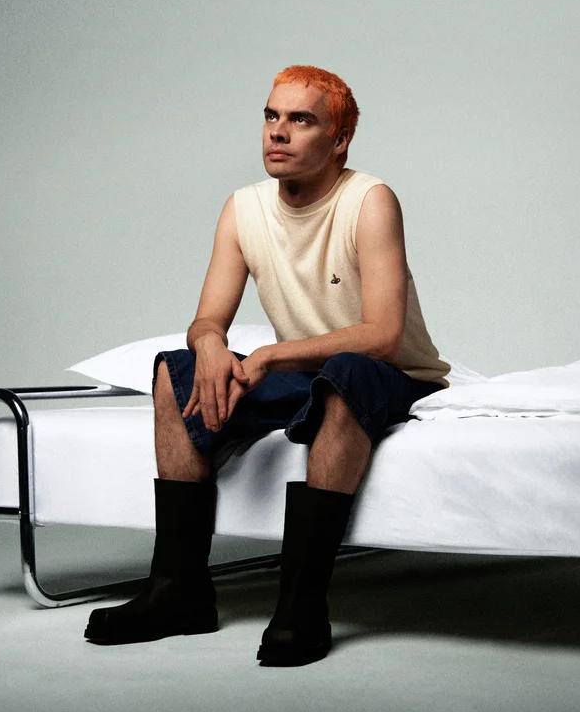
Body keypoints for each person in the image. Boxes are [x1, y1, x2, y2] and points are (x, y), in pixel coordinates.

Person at [84, 64, 451, 665]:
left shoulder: (370, 200)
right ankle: (178, 591)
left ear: (339, 140)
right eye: (271, 116)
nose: (278, 132)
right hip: (306, 375)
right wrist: (208, 346)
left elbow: (383, 336)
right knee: (174, 372)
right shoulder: (243, 208)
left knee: (346, 374)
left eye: (301, 120)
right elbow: (208, 319)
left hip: (389, 376)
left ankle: (301, 605)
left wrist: (270, 354)